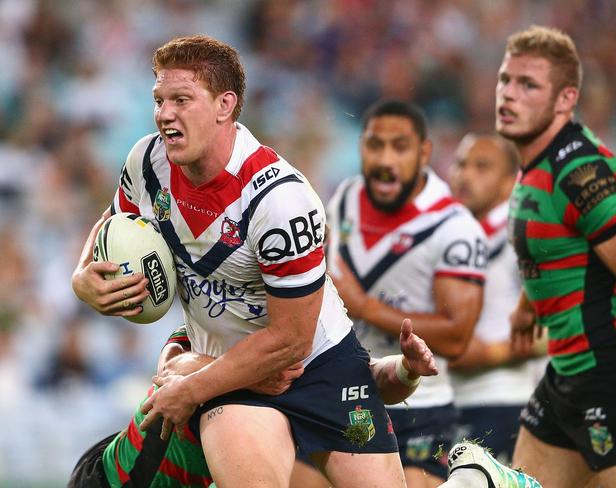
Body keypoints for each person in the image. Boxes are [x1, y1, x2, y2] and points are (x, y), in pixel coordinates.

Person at [72, 35, 409, 488]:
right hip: (228, 375)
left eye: (181, 100)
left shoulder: (280, 201)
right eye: (159, 100)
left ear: (224, 105)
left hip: (319, 365)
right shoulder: (147, 162)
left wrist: (189, 387)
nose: (164, 114)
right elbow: (115, 224)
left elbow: (290, 340)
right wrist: (82, 278)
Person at [297, 99, 488, 488]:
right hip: (340, 394)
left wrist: (364, 305)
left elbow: (457, 335)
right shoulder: (346, 198)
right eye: (374, 145)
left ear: (424, 153)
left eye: (399, 147)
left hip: (419, 409)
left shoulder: (454, 227)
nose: (385, 159)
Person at [497, 25, 616, 487]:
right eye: (505, 79)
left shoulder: (581, 172)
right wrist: (529, 304)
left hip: (612, 376)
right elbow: (560, 246)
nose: (508, 94)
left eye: (528, 85)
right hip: (566, 374)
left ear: (565, 100)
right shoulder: (536, 162)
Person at [68, 320, 439, 488]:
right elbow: (172, 366)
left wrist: (406, 370)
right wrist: (252, 376)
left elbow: (353, 385)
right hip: (117, 477)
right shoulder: (223, 318)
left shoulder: (313, 331)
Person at [447, 133, 544, 463]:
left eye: (482, 167)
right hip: (453, 398)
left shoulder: (525, 235)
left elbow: (561, 325)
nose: (465, 175)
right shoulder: (452, 234)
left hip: (506, 397)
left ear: (509, 182)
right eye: (460, 164)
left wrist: (488, 353)